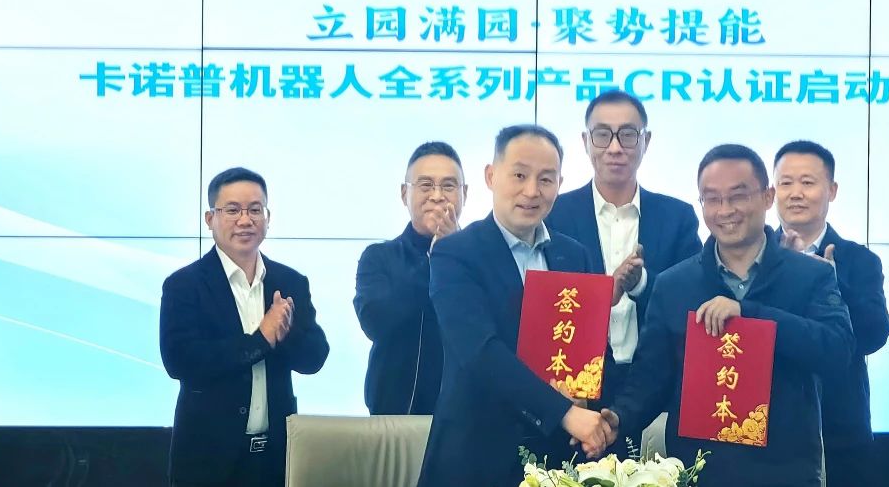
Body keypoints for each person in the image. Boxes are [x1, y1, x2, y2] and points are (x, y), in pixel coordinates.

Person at [603, 144, 854, 487]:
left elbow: (838, 351)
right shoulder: (674, 284)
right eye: (712, 199)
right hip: (698, 473)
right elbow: (650, 379)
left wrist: (750, 314)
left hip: (785, 473)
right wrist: (617, 418)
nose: (725, 210)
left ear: (767, 197)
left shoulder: (810, 275)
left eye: (738, 196)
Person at [416, 125, 615, 487]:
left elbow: (594, 349)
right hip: (476, 459)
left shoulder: (575, 255)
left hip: (558, 459)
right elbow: (480, 352)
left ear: (560, 184)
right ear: (491, 176)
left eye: (546, 179)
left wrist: (595, 408)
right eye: (520, 175)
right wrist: (564, 412)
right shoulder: (455, 253)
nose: (532, 191)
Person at [159, 168, 329, 487]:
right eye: (233, 210)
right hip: (207, 460)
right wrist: (261, 339)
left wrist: (285, 332)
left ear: (267, 217)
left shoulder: (290, 281)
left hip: (276, 457)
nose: (245, 220)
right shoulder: (184, 285)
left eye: (254, 209)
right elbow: (180, 362)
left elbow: (315, 358)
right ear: (210, 218)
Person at [549, 90, 702, 426]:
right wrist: (605, 292)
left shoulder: (677, 217)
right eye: (603, 134)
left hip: (655, 388)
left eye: (628, 135)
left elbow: (692, 300)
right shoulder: (555, 215)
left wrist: (640, 283)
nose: (615, 147)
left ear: (646, 141)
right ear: (586, 141)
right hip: (572, 390)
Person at [773, 140, 889, 487]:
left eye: (808, 182)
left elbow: (875, 333)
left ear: (832, 190)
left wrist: (831, 284)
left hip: (839, 425)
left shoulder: (859, 260)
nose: (796, 193)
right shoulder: (754, 256)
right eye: (786, 183)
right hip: (767, 424)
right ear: (771, 192)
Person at [354, 141, 466, 415]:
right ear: (405, 194)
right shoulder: (379, 257)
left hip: (466, 418)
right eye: (426, 185)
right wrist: (436, 259)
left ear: (465, 194)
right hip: (394, 415)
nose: (437, 196)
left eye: (448, 186)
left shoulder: (480, 258)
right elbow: (375, 322)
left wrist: (455, 252)